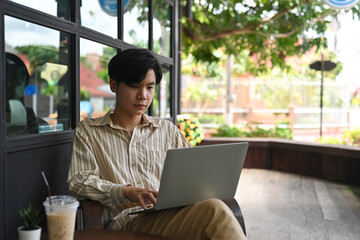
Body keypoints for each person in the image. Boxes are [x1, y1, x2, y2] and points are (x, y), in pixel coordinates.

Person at [67, 48, 247, 240]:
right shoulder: (89, 132)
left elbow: (194, 175)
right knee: (214, 212)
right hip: (126, 222)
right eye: (134, 86)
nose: (143, 96)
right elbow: (79, 181)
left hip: (173, 214)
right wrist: (126, 191)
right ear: (114, 85)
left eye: (150, 87)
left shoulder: (167, 131)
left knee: (214, 210)